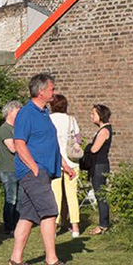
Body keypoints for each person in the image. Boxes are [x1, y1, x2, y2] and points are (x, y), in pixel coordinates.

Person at [8, 74, 72, 265]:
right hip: (33, 173)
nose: (54, 92)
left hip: (43, 170)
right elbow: (19, 144)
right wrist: (34, 168)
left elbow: (49, 144)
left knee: (28, 215)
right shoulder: (26, 113)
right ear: (41, 91)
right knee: (50, 211)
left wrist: (64, 165)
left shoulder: (44, 113)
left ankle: (15, 260)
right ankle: (51, 260)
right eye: (52, 88)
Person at [48, 94, 83, 238]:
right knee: (72, 195)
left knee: (55, 195)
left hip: (55, 161)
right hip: (72, 161)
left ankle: (54, 227)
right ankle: (75, 227)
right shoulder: (71, 120)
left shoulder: (49, 119)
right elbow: (79, 140)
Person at [83, 105, 114, 235]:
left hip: (99, 165)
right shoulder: (103, 129)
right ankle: (103, 223)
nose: (91, 116)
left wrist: (87, 147)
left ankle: (103, 225)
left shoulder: (104, 130)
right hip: (99, 165)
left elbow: (94, 149)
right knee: (99, 194)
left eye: (93, 114)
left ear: (101, 115)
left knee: (100, 195)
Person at [0, 101, 22, 235]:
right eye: (18, 111)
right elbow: (13, 148)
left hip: (18, 169)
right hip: (8, 169)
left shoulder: (17, 128)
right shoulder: (5, 129)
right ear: (10, 112)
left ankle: (17, 224)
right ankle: (9, 226)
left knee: (19, 199)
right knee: (11, 198)